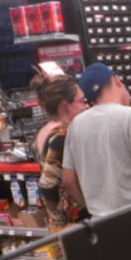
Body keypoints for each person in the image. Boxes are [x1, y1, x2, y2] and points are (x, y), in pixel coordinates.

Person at [62, 63, 131, 217]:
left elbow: (68, 181)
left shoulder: (75, 125)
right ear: (117, 80)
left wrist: (94, 208)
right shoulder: (130, 116)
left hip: (100, 221)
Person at [31, 72, 88, 229]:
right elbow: (47, 183)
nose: (86, 106)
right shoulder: (63, 135)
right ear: (65, 105)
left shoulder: (45, 131)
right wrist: (61, 224)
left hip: (67, 223)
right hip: (74, 222)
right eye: (82, 101)